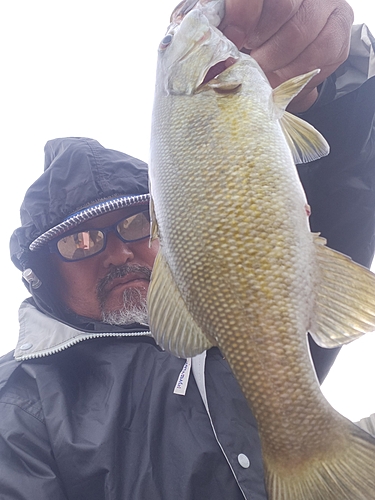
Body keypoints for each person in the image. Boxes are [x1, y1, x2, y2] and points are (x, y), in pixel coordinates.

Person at [1, 1, 374, 498]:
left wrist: (335, 79)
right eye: (80, 240)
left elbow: (339, 191)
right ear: (44, 274)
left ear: (170, 233)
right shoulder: (18, 403)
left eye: (135, 223)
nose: (116, 253)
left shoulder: (229, 332)